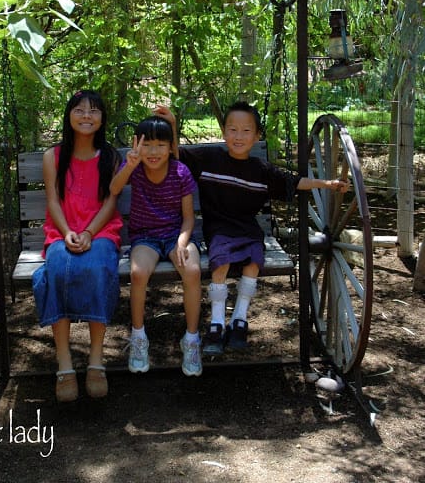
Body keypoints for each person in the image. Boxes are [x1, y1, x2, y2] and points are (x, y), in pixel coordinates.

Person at [156, 101, 349, 355]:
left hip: (248, 228)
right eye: (232, 130)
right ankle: (216, 323)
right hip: (219, 228)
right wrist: (171, 123)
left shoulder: (261, 170)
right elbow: (176, 154)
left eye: (246, 131)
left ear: (257, 136)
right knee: (221, 262)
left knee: (254, 262)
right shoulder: (209, 158)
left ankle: (239, 318)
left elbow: (294, 182)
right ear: (224, 132)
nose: (238, 136)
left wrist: (326, 183)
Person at [32, 90, 123, 402]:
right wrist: (69, 231)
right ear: (69, 116)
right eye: (80, 110)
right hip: (61, 231)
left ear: (102, 119)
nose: (87, 116)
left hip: (101, 232)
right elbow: (53, 201)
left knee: (98, 268)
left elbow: (111, 201)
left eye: (94, 110)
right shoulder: (53, 156)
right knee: (56, 269)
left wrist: (90, 232)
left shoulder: (110, 157)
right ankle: (65, 364)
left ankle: (96, 362)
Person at [110, 115, 203, 376]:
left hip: (176, 235)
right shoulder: (136, 169)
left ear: (170, 147)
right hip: (145, 237)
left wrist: (182, 242)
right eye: (147, 144)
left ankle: (192, 338)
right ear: (136, 144)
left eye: (160, 145)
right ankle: (139, 336)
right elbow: (114, 188)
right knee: (138, 273)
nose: (153, 152)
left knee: (193, 270)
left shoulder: (180, 172)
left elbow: (188, 218)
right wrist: (128, 165)